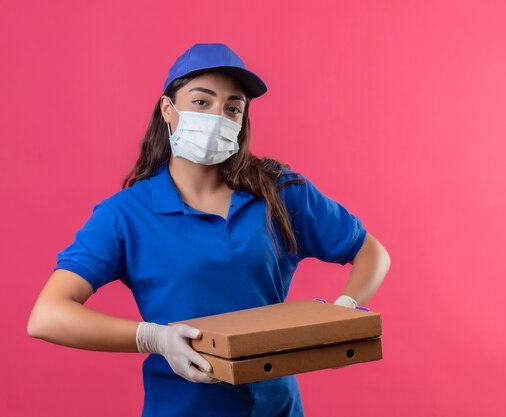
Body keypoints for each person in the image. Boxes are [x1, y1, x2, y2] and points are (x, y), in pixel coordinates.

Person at [27, 43, 391, 417]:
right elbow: (47, 315)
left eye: (232, 107)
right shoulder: (126, 214)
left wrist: (345, 314)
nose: (218, 115)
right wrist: (155, 338)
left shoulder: (279, 191)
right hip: (180, 409)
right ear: (168, 110)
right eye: (201, 102)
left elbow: (371, 252)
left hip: (277, 408)